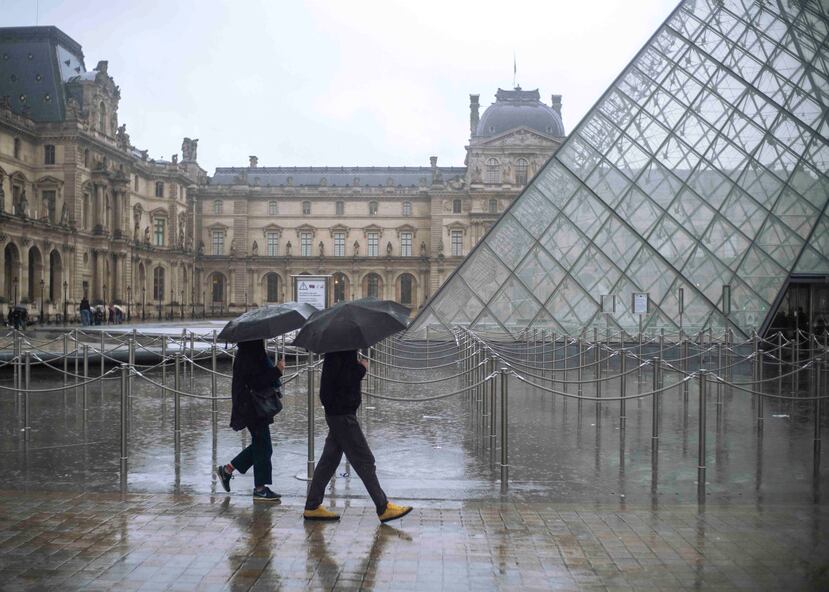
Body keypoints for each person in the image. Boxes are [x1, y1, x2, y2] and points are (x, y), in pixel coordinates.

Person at [303, 350, 412, 523]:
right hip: (342, 413)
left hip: (338, 411)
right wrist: (361, 369)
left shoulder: (339, 347)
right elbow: (343, 380)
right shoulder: (342, 348)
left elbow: (337, 379)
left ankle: (312, 505)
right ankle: (383, 507)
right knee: (364, 460)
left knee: (329, 460)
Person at [216, 340, 284, 501]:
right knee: (264, 446)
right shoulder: (250, 354)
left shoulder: (249, 351)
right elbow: (256, 381)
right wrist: (277, 371)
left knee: (261, 445)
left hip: (252, 405)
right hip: (252, 406)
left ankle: (227, 470)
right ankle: (259, 488)